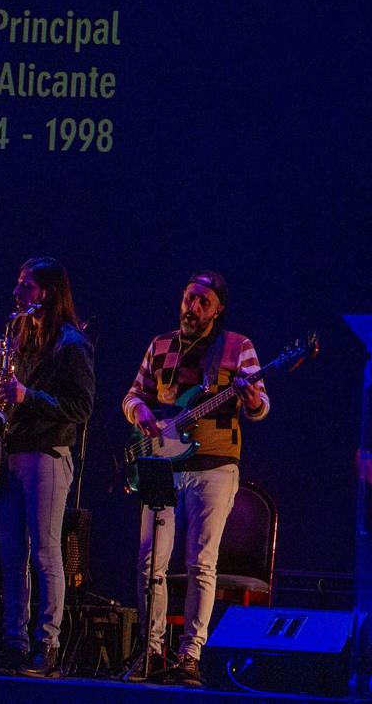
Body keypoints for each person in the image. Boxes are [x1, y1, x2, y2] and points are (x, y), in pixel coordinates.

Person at [121, 270, 268, 685]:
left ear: (218, 309)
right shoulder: (160, 344)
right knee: (150, 560)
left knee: (201, 562)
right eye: (189, 298)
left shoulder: (238, 347)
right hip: (161, 464)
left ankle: (189, 655)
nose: (193, 307)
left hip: (216, 464)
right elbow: (132, 394)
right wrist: (140, 412)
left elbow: (261, 407)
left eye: (203, 301)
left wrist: (253, 397)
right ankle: (150, 652)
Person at [0, 257, 94, 677]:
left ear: (46, 292)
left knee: (46, 554)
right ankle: (14, 642)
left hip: (48, 454)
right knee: (11, 556)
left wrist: (28, 397)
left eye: (25, 285)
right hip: (13, 452)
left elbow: (81, 408)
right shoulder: (22, 335)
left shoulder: (72, 344)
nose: (17, 292)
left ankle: (49, 644)